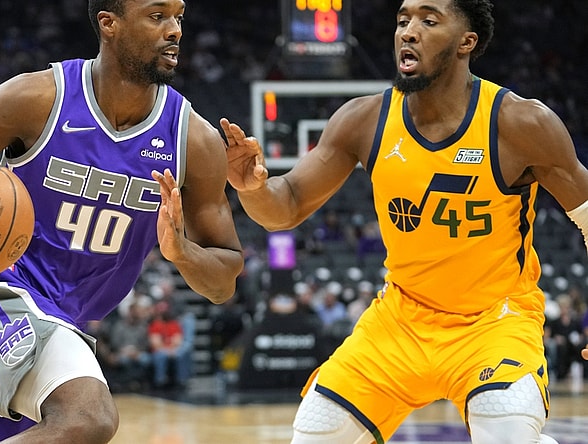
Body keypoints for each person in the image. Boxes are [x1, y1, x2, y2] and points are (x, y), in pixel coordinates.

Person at [221, 1, 588, 442]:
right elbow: (286, 208)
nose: (408, 32)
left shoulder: (520, 122)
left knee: (505, 427)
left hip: (493, 321)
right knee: (316, 433)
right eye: (402, 20)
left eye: (428, 21)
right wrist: (253, 189)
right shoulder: (363, 119)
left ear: (466, 42)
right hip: (399, 320)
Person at [0, 0, 243, 442]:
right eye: (157, 16)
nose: (175, 31)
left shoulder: (195, 141)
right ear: (109, 24)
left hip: (65, 319)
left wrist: (182, 253)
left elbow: (223, 282)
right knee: (86, 417)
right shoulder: (37, 99)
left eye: (179, 18)